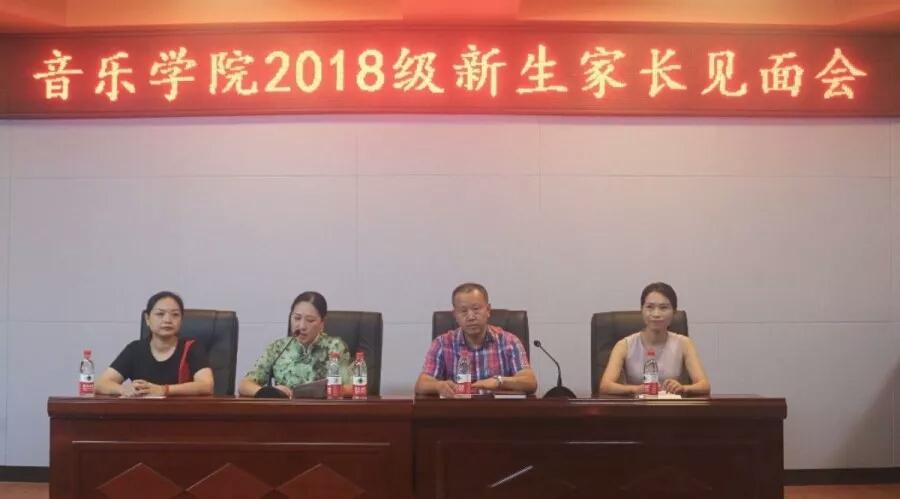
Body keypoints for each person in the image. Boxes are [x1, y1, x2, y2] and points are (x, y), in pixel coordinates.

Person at [415, 283, 538, 398]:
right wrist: (438, 386)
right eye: (463, 311)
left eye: (476, 309)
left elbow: (530, 382)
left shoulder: (509, 342)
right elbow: (421, 384)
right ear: (455, 315)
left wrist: (498, 381)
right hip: (457, 410)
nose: (471, 317)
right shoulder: (442, 343)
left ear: (488, 310)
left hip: (499, 410)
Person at [599, 282, 710, 396]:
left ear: (674, 312)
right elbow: (605, 386)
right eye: (650, 307)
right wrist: (636, 389)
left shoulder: (684, 343)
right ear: (642, 310)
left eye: (663, 308)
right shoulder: (624, 345)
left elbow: (704, 385)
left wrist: (683, 388)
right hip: (637, 405)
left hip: (672, 405)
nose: (656, 314)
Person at [96, 291, 214, 397]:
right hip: (143, 412)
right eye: (160, 314)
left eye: (175, 315)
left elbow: (206, 385)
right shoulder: (135, 349)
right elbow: (100, 384)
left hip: (181, 412)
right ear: (147, 319)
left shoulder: (191, 347)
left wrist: (163, 390)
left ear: (181, 320)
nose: (167, 320)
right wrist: (123, 389)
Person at [238, 291, 353, 398]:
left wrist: (325, 391)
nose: (302, 326)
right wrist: (271, 392)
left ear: (322, 322)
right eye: (297, 318)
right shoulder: (279, 347)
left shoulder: (335, 346)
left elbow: (353, 388)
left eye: (310, 320)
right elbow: (244, 385)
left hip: (322, 410)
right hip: (284, 411)